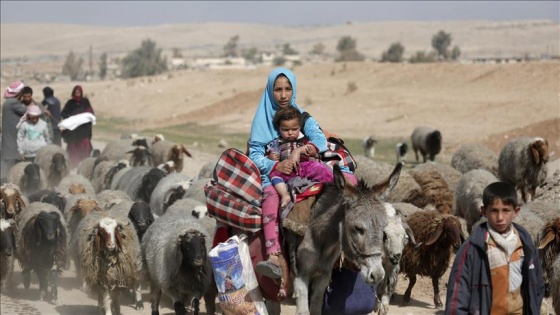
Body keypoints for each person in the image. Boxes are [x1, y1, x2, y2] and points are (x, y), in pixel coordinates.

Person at [248, 67, 358, 279]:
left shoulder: (301, 115)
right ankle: (273, 257)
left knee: (348, 184)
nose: (283, 95)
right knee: (270, 199)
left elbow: (318, 139)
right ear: (270, 90)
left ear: (294, 90)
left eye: (288, 89)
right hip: (276, 175)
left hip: (306, 168)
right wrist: (276, 166)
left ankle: (350, 246)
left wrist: (300, 151)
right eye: (277, 89)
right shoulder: (261, 120)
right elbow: (255, 154)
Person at [445, 181, 545, 315]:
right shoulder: (472, 249)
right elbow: (457, 294)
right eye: (494, 211)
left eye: (506, 210)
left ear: (516, 211)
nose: (500, 218)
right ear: (484, 211)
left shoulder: (526, 245)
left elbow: (537, 284)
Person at [267, 106, 334, 209]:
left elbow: (318, 156)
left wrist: (314, 154)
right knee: (274, 175)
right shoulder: (277, 143)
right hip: (289, 169)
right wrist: (271, 158)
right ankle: (285, 195)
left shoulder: (306, 140)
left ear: (300, 127)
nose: (290, 133)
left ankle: (332, 189)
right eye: (285, 129)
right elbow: (271, 158)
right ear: (279, 129)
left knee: (321, 168)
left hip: (307, 166)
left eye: (294, 129)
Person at [61, 85, 94, 168]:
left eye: (78, 92)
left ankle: (85, 166)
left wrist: (83, 117)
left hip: (83, 131)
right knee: (73, 151)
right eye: (75, 92)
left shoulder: (85, 102)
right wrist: (72, 117)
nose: (77, 94)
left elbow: (90, 113)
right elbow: (63, 113)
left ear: (81, 93)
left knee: (85, 149)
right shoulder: (70, 103)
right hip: (73, 132)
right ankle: (74, 167)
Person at [1, 81, 26, 175]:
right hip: (12, 138)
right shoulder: (13, 103)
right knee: (11, 163)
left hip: (10, 137)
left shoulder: (8, 102)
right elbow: (28, 112)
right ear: (19, 93)